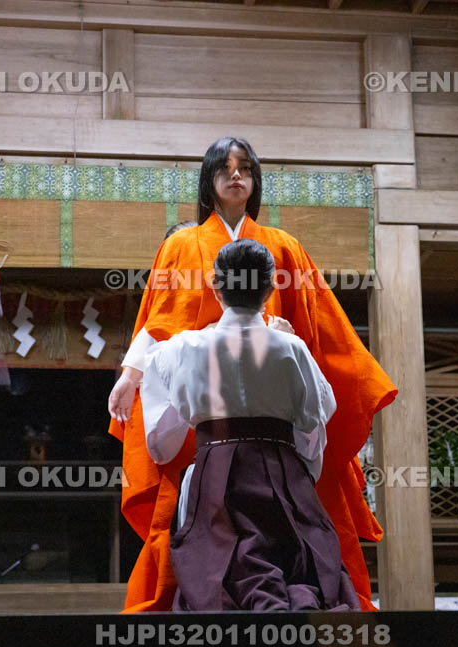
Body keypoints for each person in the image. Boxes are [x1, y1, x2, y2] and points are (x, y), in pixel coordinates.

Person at [108, 137, 396, 612]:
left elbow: (317, 328)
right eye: (224, 168)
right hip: (219, 409)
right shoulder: (182, 244)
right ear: (209, 179)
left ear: (256, 178)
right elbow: (163, 319)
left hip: (254, 407)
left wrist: (288, 343)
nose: (235, 175)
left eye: (245, 168)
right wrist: (130, 373)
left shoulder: (283, 246)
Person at [139, 239, 357, 611]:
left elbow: (161, 442)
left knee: (220, 572)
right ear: (270, 289)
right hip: (282, 472)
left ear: (216, 286)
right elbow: (315, 421)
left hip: (215, 475)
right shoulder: (292, 348)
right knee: (295, 567)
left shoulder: (182, 349)